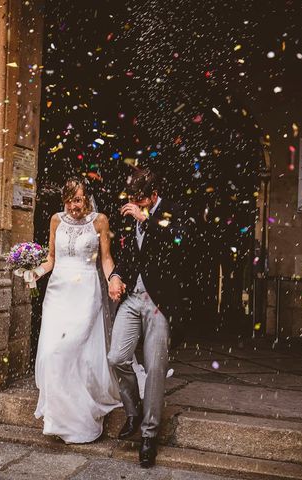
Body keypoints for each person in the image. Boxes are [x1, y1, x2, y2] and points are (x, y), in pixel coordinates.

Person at [107, 168, 189, 468]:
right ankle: (134, 410)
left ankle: (149, 435)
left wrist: (147, 220)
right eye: (133, 200)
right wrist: (116, 276)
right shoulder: (134, 217)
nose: (133, 205)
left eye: (140, 200)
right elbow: (131, 258)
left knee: (155, 367)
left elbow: (180, 245)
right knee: (116, 356)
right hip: (132, 299)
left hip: (160, 302)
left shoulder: (173, 211)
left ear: (153, 196)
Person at [32, 178, 121, 443]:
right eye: (69, 201)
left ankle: (78, 417)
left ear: (87, 198)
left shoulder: (100, 221)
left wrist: (112, 279)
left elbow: (105, 258)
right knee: (50, 352)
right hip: (58, 293)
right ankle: (59, 416)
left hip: (85, 292)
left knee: (67, 349)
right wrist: (34, 272)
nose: (73, 206)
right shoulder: (55, 220)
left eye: (78, 200)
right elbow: (51, 259)